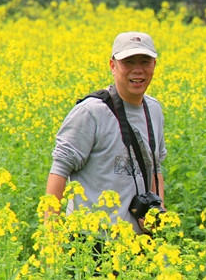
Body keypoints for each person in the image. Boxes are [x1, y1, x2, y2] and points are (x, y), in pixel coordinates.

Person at [45, 31, 167, 235]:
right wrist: (52, 236)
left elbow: (155, 167)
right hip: (92, 243)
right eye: (128, 62)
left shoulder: (153, 110)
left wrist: (158, 211)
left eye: (145, 62)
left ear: (154, 65)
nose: (138, 71)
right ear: (113, 65)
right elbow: (59, 170)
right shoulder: (91, 112)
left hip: (139, 243)